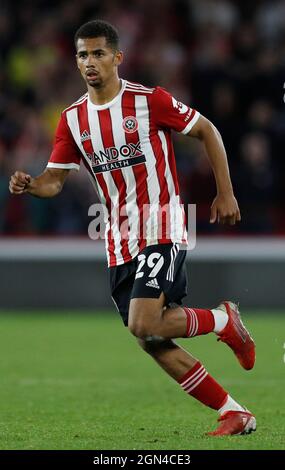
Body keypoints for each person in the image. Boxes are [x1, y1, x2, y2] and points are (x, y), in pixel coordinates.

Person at [9, 20, 256, 436]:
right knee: (151, 338)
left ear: (117, 57)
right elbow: (55, 179)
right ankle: (234, 412)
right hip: (118, 237)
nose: (91, 62)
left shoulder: (149, 100)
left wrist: (225, 192)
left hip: (162, 223)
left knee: (143, 323)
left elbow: (207, 131)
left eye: (99, 53)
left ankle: (222, 321)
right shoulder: (72, 119)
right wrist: (32, 184)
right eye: (83, 55)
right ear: (76, 61)